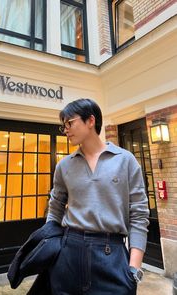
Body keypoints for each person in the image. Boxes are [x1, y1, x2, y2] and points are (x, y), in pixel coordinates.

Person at [46, 98, 150, 295]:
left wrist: (134, 269)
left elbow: (139, 214)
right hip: (69, 254)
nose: (65, 129)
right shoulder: (64, 166)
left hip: (112, 254)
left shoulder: (125, 160)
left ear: (90, 120)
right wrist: (52, 247)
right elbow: (55, 208)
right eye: (63, 125)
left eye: (70, 123)